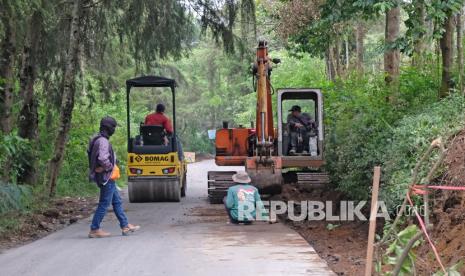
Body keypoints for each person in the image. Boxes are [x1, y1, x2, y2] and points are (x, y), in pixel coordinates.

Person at [87, 116, 140, 238]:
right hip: (107, 177)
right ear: (108, 128)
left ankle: (125, 225)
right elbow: (102, 158)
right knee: (104, 203)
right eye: (113, 127)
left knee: (116, 202)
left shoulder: (96, 139)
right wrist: (109, 167)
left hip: (107, 177)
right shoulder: (103, 141)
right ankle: (94, 229)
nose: (114, 130)